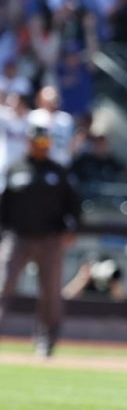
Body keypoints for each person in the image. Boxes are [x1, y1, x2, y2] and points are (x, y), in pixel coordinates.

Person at [0, 125, 81, 357]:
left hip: (50, 239)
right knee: (3, 285)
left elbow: (73, 205)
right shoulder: (15, 169)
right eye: (37, 144)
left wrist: (71, 230)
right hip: (17, 237)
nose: (41, 148)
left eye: (45, 144)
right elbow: (3, 205)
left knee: (50, 293)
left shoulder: (58, 171)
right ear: (29, 143)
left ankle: (46, 341)